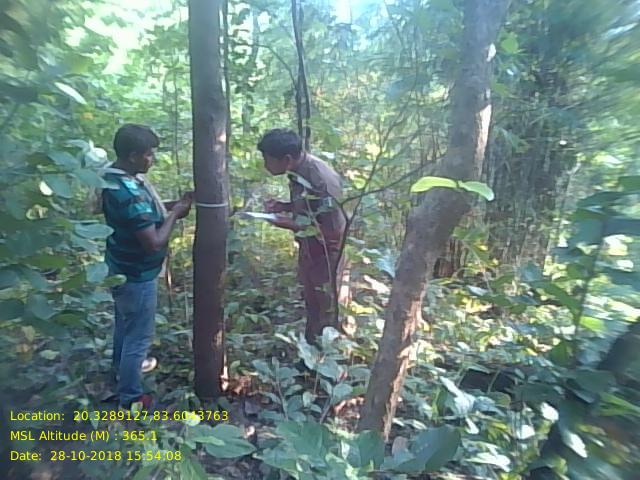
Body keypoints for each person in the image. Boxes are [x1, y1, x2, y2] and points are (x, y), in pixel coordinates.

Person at [101, 124, 192, 409]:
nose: (152, 159)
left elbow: (143, 215)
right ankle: (131, 397)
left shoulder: (113, 177)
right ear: (132, 156)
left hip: (119, 267)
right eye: (148, 154)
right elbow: (153, 242)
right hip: (136, 275)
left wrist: (173, 207)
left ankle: (119, 372)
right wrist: (175, 214)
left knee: (125, 326)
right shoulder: (129, 192)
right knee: (138, 338)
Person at [258, 128, 347, 345]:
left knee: (329, 309)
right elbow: (311, 207)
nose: (265, 165)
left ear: (286, 159)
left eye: (268, 160)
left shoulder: (321, 181)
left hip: (328, 256)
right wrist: (285, 206)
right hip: (310, 250)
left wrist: (289, 224)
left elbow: (333, 232)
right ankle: (310, 353)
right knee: (312, 306)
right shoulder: (297, 171)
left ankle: (334, 357)